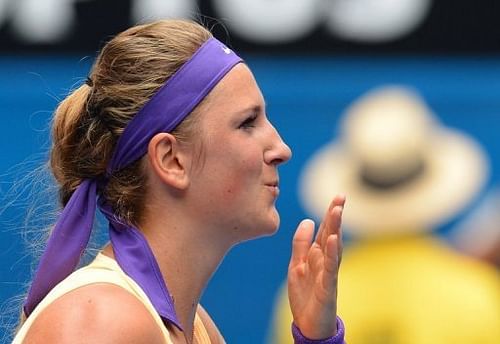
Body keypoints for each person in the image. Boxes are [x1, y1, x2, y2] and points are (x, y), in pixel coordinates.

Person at [12, 19, 346, 344]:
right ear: (171, 160)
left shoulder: (196, 327)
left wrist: (317, 339)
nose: (281, 149)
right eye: (247, 123)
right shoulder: (102, 322)